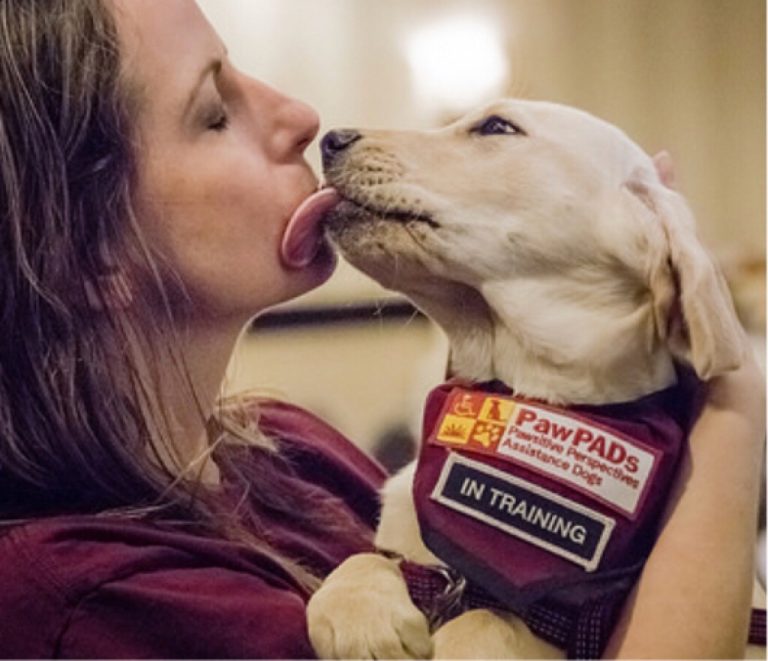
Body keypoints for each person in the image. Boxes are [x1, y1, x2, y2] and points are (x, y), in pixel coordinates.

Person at [0, 0, 762, 658]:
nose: (302, 117)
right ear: (84, 253)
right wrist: (733, 406)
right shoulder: (88, 599)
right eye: (213, 113)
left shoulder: (291, 449)